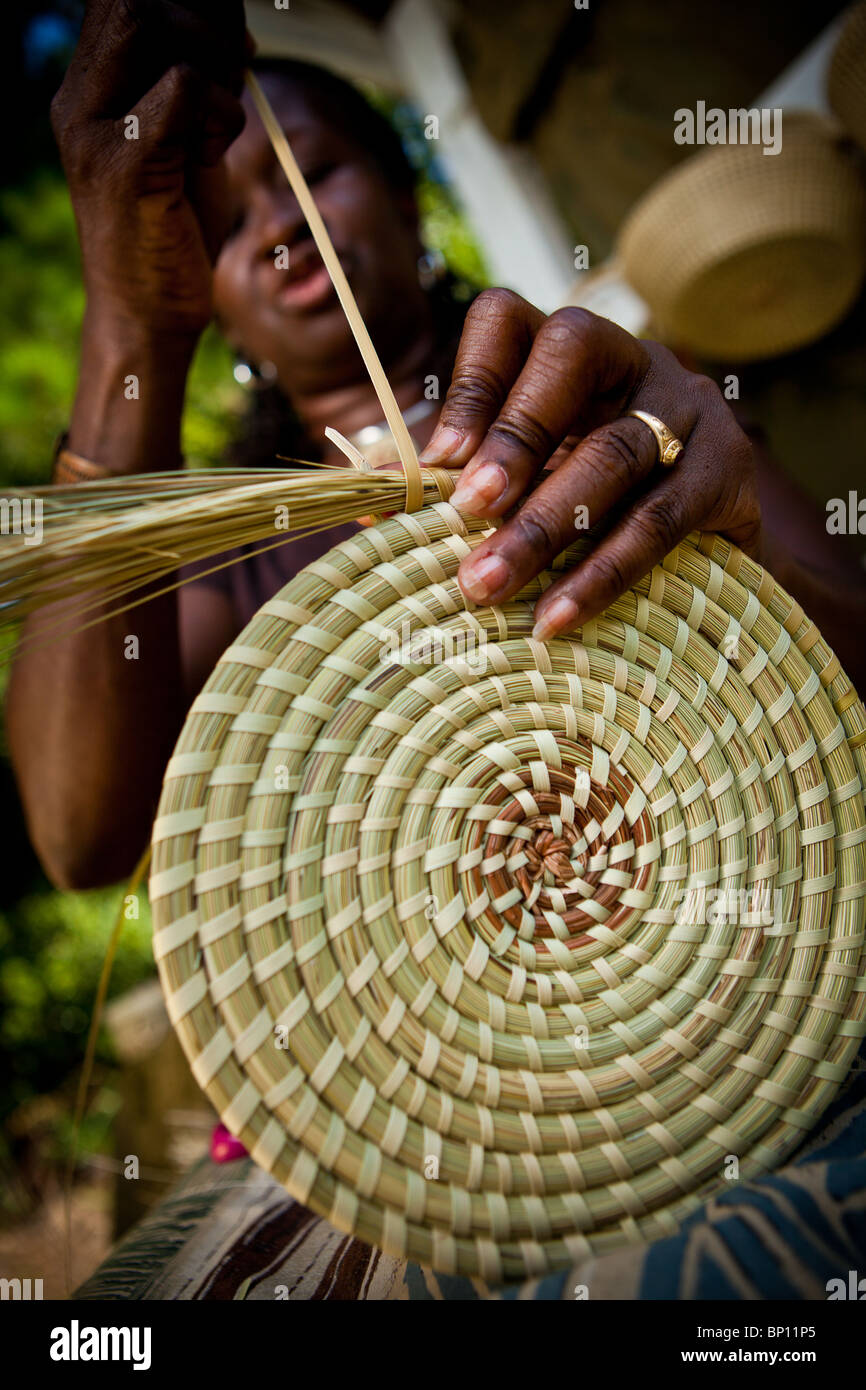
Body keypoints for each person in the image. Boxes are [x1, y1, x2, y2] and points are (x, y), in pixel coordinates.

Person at [8, 0, 866, 893]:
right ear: (216, 307)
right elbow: (81, 834)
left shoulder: (611, 397)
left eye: (315, 171)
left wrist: (740, 555)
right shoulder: (242, 560)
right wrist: (137, 324)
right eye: (228, 225)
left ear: (406, 196)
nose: (279, 226)